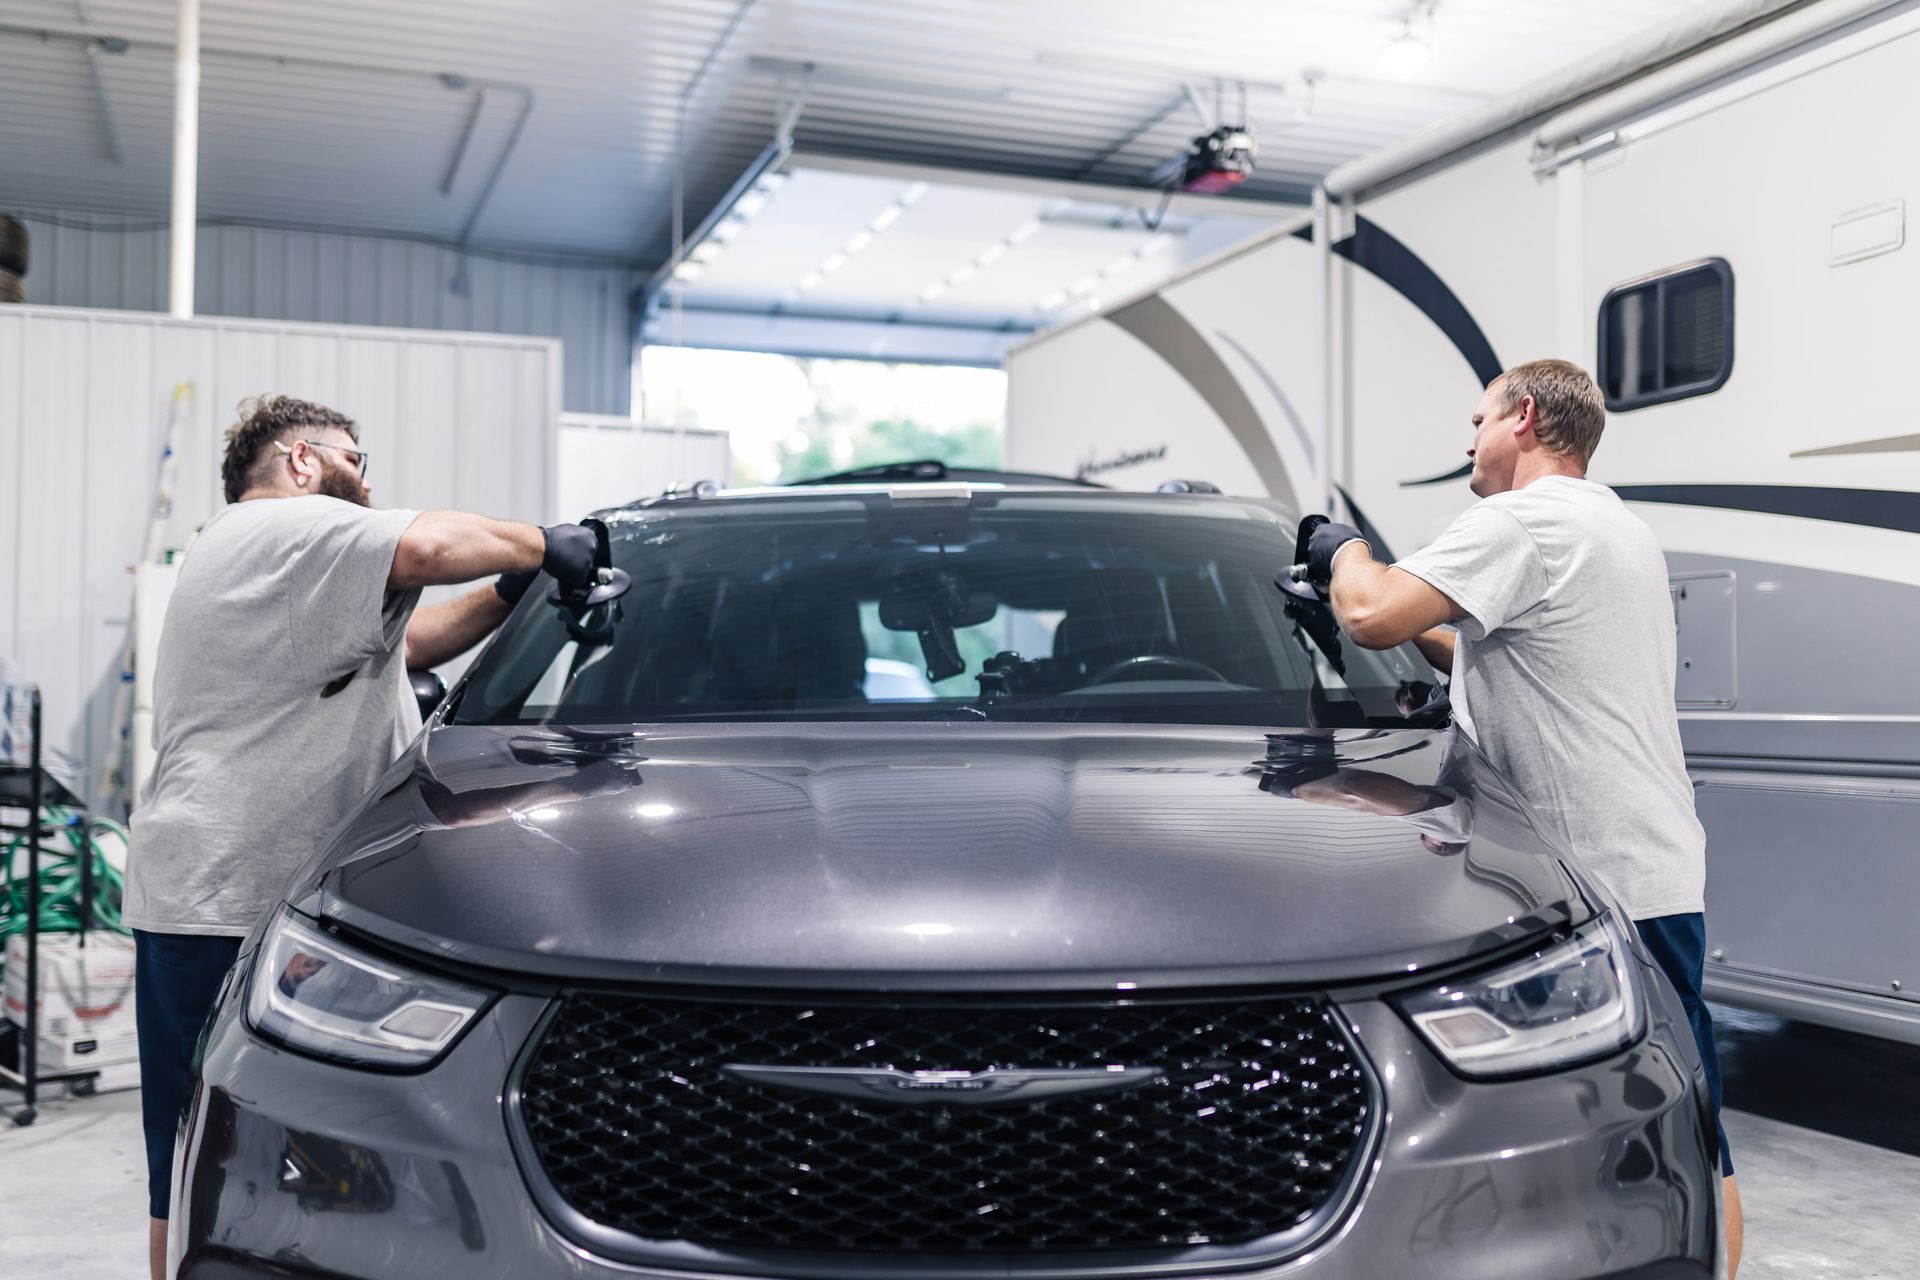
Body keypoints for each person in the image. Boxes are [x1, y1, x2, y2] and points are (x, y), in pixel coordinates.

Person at [124, 395, 599, 1280]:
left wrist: (507, 591)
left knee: (211, 1149)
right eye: (355, 456)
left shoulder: (259, 558)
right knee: (201, 1155)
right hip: (224, 893)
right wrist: (546, 542)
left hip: (226, 883)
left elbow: (412, 643)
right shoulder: (283, 526)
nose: (367, 478)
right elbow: (423, 545)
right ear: (302, 461)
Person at [1296, 359, 1743, 1276]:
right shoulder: (1613, 525)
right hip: (1650, 869)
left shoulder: (1522, 520)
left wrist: (1337, 548)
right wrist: (1354, 618)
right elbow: (1479, 644)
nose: (1468, 440)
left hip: (1599, 885)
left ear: (1525, 418)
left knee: (1667, 1145)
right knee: (1694, 1129)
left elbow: (1376, 611)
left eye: (1478, 419)